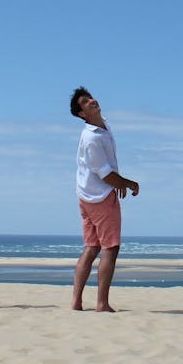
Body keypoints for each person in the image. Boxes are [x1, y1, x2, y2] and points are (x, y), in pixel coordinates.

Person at [70, 87, 139, 312]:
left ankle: (77, 302)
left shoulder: (103, 125)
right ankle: (101, 303)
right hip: (98, 197)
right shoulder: (91, 137)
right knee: (110, 248)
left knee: (92, 247)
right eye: (85, 102)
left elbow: (107, 168)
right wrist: (127, 183)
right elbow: (104, 173)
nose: (92, 101)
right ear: (82, 114)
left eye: (90, 98)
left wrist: (117, 182)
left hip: (87, 193)